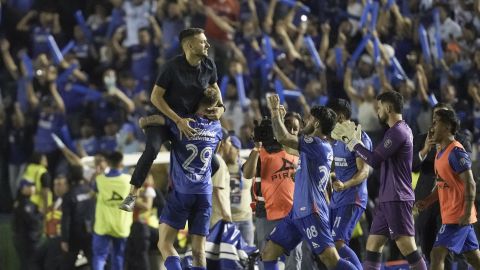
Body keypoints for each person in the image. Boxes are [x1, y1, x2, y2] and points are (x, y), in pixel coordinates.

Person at [120, 27, 225, 211]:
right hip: (168, 118)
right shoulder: (171, 67)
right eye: (202, 42)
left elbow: (215, 87)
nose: (207, 44)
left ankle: (186, 192)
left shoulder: (209, 65)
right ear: (190, 46)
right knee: (152, 149)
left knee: (214, 163)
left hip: (189, 123)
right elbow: (155, 97)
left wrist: (221, 109)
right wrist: (177, 120)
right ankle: (132, 194)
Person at [332, 91, 428, 269]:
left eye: (379, 108)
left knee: (407, 246)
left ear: (388, 108)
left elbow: (374, 160)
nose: (377, 112)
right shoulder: (396, 131)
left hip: (397, 197)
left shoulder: (398, 131)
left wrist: (353, 142)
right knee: (373, 245)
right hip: (387, 198)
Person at [261, 94, 356, 270]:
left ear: (317, 124)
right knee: (269, 252)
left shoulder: (316, 143)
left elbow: (283, 139)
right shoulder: (318, 145)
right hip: (297, 212)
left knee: (331, 259)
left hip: (311, 210)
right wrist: (280, 120)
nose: (306, 121)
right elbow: (288, 146)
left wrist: (274, 111)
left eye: (310, 118)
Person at [151, 87, 223, 270]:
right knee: (199, 251)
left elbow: (157, 121)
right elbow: (216, 157)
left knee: (164, 244)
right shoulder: (217, 127)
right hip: (204, 192)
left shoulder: (182, 124)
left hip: (182, 190)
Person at [415, 109, 480, 270]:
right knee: (473, 258)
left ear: (448, 126)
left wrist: (465, 213)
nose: (432, 127)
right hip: (453, 215)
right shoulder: (439, 154)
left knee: (437, 254)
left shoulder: (456, 152)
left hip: (458, 216)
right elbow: (442, 184)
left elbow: (470, 183)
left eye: (436, 122)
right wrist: (428, 201)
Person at [242, 113, 303, 270]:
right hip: (267, 214)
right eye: (287, 126)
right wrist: (257, 148)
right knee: (266, 258)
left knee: (294, 262)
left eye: (295, 128)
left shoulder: (299, 151)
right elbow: (247, 174)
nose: (290, 130)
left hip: (293, 214)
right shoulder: (262, 152)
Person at [327, 98, 372, 270]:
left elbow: (364, 171)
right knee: (329, 246)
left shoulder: (358, 137)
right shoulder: (337, 139)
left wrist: (346, 185)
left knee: (338, 244)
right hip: (337, 198)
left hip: (353, 197)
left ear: (339, 116)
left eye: (331, 115)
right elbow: (339, 167)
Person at [92, 151, 133, 270]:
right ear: (121, 164)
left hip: (103, 225)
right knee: (118, 256)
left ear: (108, 163)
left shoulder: (99, 180)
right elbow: (131, 203)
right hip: (121, 225)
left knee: (100, 257)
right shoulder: (129, 180)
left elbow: (93, 193)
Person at [61, 165, 95, 270]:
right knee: (94, 263)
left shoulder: (69, 195)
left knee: (68, 265)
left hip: (74, 235)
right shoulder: (90, 191)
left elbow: (66, 219)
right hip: (90, 232)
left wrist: (64, 239)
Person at [12, 180, 43, 270]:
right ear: (22, 189)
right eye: (29, 186)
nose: (32, 188)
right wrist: (40, 214)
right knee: (29, 264)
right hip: (26, 240)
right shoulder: (24, 204)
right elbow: (32, 221)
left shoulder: (26, 203)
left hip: (25, 239)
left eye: (32, 186)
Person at [210, 130, 232, 227]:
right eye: (229, 141)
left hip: (215, 217)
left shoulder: (216, 160)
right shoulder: (219, 162)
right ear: (222, 143)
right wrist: (226, 214)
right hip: (219, 219)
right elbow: (217, 190)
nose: (230, 145)